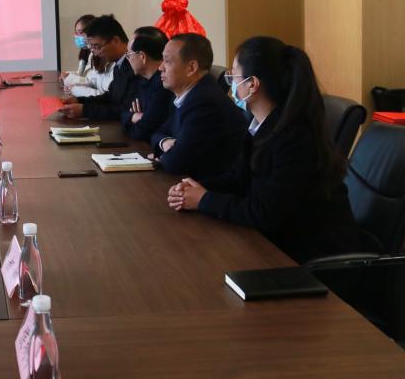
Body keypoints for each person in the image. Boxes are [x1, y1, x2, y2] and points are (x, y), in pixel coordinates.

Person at [167, 37, 360, 264]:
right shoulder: (261, 125)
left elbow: (264, 213)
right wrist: (195, 188)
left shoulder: (295, 138)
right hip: (277, 243)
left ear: (252, 84)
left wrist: (204, 199)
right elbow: (239, 179)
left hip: (311, 258)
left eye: (233, 77)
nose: (230, 84)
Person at [150, 33, 246, 178]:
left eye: (167, 61)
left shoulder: (204, 101)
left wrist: (163, 155)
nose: (160, 67)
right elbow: (157, 133)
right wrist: (165, 142)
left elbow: (176, 163)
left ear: (191, 68)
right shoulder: (184, 94)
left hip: (213, 185)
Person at [60, 15, 138, 120]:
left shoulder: (135, 67)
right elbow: (109, 97)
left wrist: (85, 111)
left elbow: (124, 109)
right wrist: (79, 100)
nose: (95, 53)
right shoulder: (120, 65)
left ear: (115, 41)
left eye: (97, 46)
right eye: (92, 47)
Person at [121, 26, 173, 141]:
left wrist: (132, 120)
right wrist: (133, 116)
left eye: (129, 55)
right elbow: (123, 111)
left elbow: (141, 133)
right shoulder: (143, 80)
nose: (128, 60)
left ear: (142, 57)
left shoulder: (163, 85)